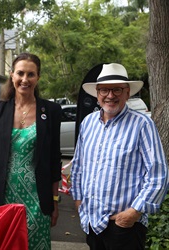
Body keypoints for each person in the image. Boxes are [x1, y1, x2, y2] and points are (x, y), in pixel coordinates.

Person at [71, 63, 169, 250]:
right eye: (104, 90)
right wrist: (78, 201)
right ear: (97, 93)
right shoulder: (88, 123)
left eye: (117, 89)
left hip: (125, 227)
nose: (110, 95)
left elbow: (158, 175)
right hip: (92, 223)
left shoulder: (142, 124)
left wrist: (133, 213)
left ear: (127, 92)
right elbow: (78, 166)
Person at [0, 52, 62, 249]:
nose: (25, 79)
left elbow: (54, 160)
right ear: (12, 75)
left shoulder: (50, 111)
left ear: (38, 77)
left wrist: (54, 201)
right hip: (3, 197)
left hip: (37, 199)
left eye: (31, 74)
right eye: (20, 73)